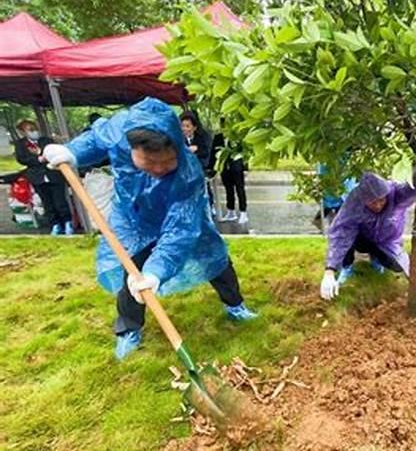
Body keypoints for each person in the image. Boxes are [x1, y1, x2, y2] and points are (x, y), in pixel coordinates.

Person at [42, 98, 257, 360]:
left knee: (214, 256)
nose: (157, 170)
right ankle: (129, 329)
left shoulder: (188, 176)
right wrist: (72, 152)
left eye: (166, 163)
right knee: (131, 271)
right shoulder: (121, 130)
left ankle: (235, 305)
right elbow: (97, 140)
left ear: (177, 148)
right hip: (133, 218)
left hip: (181, 217)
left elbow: (179, 232)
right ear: (131, 148)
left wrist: (156, 272)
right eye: (148, 162)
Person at [320, 172, 416, 300]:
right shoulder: (354, 201)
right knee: (346, 239)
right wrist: (329, 271)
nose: (378, 205)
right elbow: (341, 232)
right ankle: (347, 266)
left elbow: (413, 188)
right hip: (363, 239)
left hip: (387, 241)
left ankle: (377, 258)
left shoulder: (396, 194)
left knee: (397, 266)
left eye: (381, 200)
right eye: (372, 202)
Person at [13, 119, 73, 235]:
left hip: (53, 174)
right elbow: (21, 158)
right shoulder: (20, 144)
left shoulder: (46, 140)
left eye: (33, 129)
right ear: (23, 132)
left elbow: (54, 152)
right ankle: (54, 224)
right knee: (47, 202)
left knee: (60, 201)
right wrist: (37, 159)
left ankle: (67, 223)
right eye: (29, 130)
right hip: (37, 177)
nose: (33, 131)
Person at [210, 126, 248, 224]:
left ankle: (243, 212)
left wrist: (245, 168)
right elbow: (214, 152)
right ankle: (231, 211)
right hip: (224, 167)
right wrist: (212, 168)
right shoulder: (218, 137)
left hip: (236, 166)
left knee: (240, 189)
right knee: (228, 189)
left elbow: (244, 152)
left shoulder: (237, 137)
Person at [180, 110, 215, 213]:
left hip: (199, 166)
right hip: (184, 168)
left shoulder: (202, 137)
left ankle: (209, 204)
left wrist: (197, 150)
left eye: (187, 126)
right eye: (182, 126)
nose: (184, 129)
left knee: (202, 182)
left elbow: (206, 152)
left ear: (194, 127)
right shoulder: (179, 138)